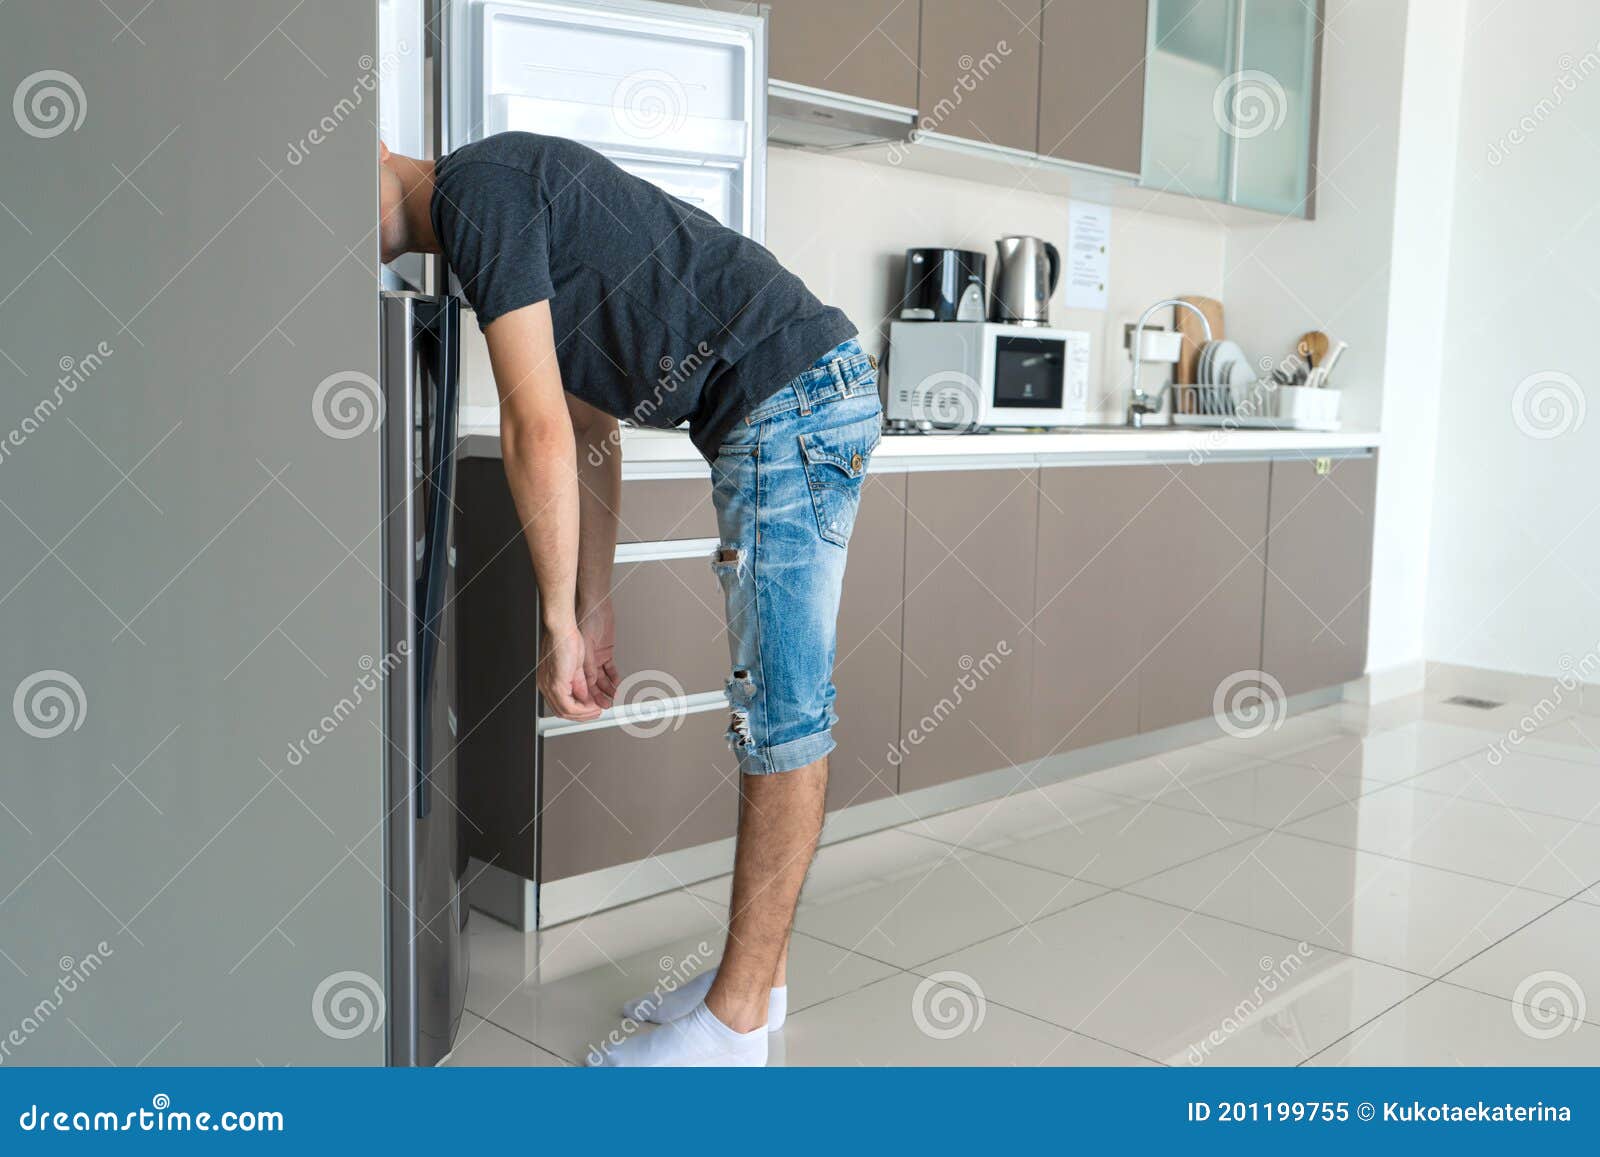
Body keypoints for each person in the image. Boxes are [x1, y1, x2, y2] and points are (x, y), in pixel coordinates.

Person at [378, 131, 881, 1067]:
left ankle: (733, 1027)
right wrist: (592, 602)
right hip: (791, 394)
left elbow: (534, 430)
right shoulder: (489, 204)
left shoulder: (473, 194)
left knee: (782, 718)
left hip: (789, 400)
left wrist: (555, 624)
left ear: (371, 156)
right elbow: (585, 423)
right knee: (778, 710)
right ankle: (759, 985)